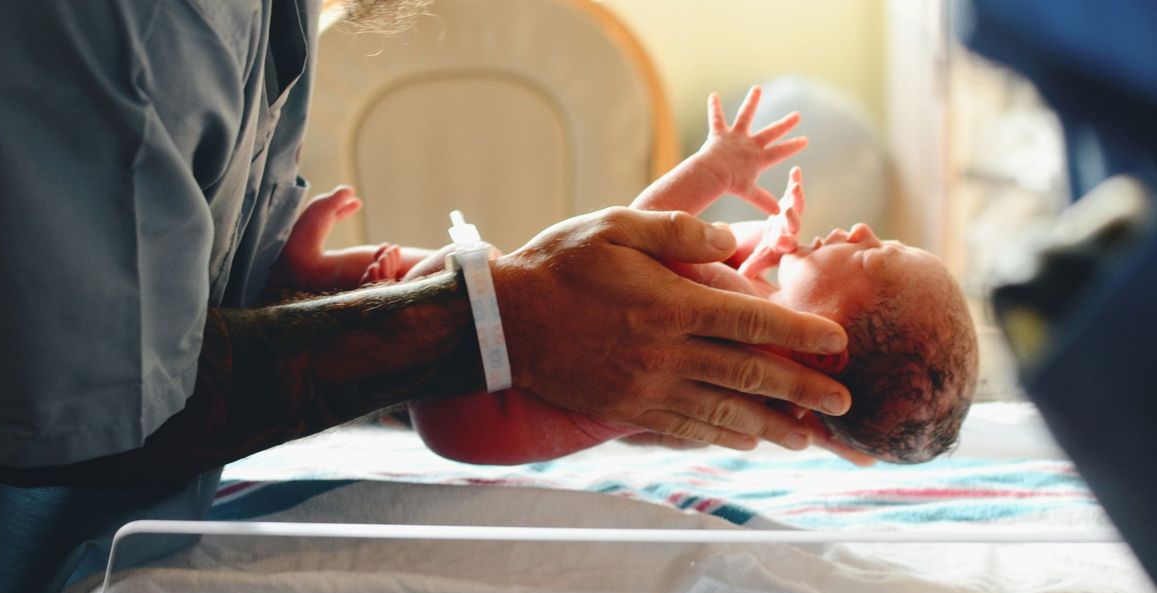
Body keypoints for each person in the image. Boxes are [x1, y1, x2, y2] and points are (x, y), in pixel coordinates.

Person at [0, 2, 856, 593]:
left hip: (73, 560)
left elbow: (132, 303)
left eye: (876, 261)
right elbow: (91, 404)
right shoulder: (118, 24)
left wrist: (286, 292)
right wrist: (490, 316)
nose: (854, 235)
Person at [296, 95, 978, 465]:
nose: (861, 231)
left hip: (484, 400)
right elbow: (718, 278)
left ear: (825, 350)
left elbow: (630, 241)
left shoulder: (739, 320)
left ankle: (316, 275)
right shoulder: (766, 379)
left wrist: (716, 169)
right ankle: (325, 282)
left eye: (873, 258)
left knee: (455, 269)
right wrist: (769, 249)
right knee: (466, 274)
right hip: (481, 427)